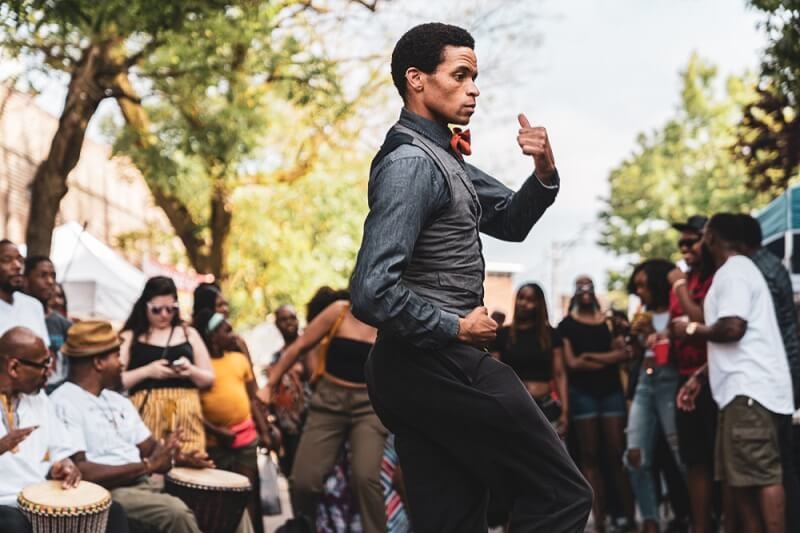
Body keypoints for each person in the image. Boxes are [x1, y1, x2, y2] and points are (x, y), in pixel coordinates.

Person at [349, 22, 592, 532]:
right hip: (435, 360)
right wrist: (454, 328)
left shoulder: (443, 156)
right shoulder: (412, 163)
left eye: (474, 77)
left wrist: (544, 170)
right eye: (460, 76)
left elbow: (509, 219)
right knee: (562, 494)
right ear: (416, 79)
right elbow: (372, 290)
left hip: (415, 369)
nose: (474, 89)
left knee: (451, 521)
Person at [672, 213, 794, 533]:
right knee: (740, 480)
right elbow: (742, 339)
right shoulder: (737, 272)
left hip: (749, 394)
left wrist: (691, 328)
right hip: (741, 393)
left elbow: (733, 328)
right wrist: (700, 376)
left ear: (711, 237)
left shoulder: (735, 272)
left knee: (762, 477)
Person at [50, 320, 222, 533]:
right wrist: (148, 465)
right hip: (108, 492)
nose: (122, 363)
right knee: (175, 513)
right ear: (99, 362)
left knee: (216, 497)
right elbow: (82, 470)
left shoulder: (117, 400)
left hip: (142, 484)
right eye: (116, 355)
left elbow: (150, 449)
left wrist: (177, 455)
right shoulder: (64, 402)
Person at [260, 294, 388, 533]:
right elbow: (299, 346)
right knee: (303, 481)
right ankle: (306, 526)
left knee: (365, 478)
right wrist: (269, 385)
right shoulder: (340, 311)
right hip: (329, 402)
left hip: (368, 407)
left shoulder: (390, 318)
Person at [0, 326, 129, 533]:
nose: (49, 372)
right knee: (13, 524)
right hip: (4, 505)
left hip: (38, 498)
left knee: (113, 512)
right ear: (14, 367)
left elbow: (59, 450)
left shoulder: (39, 399)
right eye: (43, 365)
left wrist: (63, 465)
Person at [736, 213, 800, 532]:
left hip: (773, 377)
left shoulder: (756, 270)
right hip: (785, 371)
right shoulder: (771, 265)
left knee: (774, 465)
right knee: (782, 460)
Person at [559, 277, 636, 533]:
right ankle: (600, 520)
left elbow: (623, 354)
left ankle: (627, 516)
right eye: (579, 286)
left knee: (617, 454)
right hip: (583, 394)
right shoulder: (566, 325)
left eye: (588, 285)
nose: (584, 290)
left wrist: (591, 356)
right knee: (589, 456)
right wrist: (608, 359)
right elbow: (572, 364)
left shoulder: (609, 323)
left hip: (611, 392)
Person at [195, 310, 272, 533]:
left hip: (245, 439)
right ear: (213, 335)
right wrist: (217, 431)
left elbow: (252, 399)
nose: (232, 335)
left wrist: (265, 431)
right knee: (220, 499)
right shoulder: (201, 367)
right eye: (226, 330)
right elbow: (193, 409)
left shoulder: (238, 360)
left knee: (246, 493)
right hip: (215, 443)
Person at [626, 259, 687, 533]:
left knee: (681, 453)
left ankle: (698, 512)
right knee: (635, 454)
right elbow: (640, 357)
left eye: (643, 285)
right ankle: (650, 520)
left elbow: (679, 351)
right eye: (636, 286)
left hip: (670, 382)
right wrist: (636, 341)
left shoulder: (676, 311)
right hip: (644, 383)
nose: (640, 291)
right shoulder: (643, 313)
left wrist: (653, 335)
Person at [120, 276, 215, 453]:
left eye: (170, 309)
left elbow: (209, 378)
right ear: (145, 306)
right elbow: (115, 381)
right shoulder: (130, 336)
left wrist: (190, 371)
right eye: (157, 310)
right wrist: (148, 371)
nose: (164, 315)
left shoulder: (189, 333)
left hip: (187, 420)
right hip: (145, 422)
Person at [667, 215, 717, 533]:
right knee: (695, 460)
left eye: (691, 241)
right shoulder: (683, 282)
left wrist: (680, 286)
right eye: (681, 243)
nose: (685, 248)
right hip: (683, 377)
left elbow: (703, 319)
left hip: (713, 378)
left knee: (720, 462)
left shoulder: (716, 279)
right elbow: (677, 325)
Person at [490, 282, 568, 435]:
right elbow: (493, 374)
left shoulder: (551, 335)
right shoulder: (503, 335)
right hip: (512, 406)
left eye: (530, 300)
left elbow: (560, 374)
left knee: (547, 456)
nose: (523, 303)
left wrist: (565, 411)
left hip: (545, 407)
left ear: (539, 304)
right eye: (521, 298)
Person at [23, 255, 72, 387]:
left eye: (53, 276)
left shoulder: (63, 323)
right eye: (43, 275)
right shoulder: (18, 317)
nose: (50, 281)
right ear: (26, 280)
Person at [0, 241, 48, 346]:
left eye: (20, 260)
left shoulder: (34, 305)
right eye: (7, 260)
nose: (17, 266)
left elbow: (46, 350)